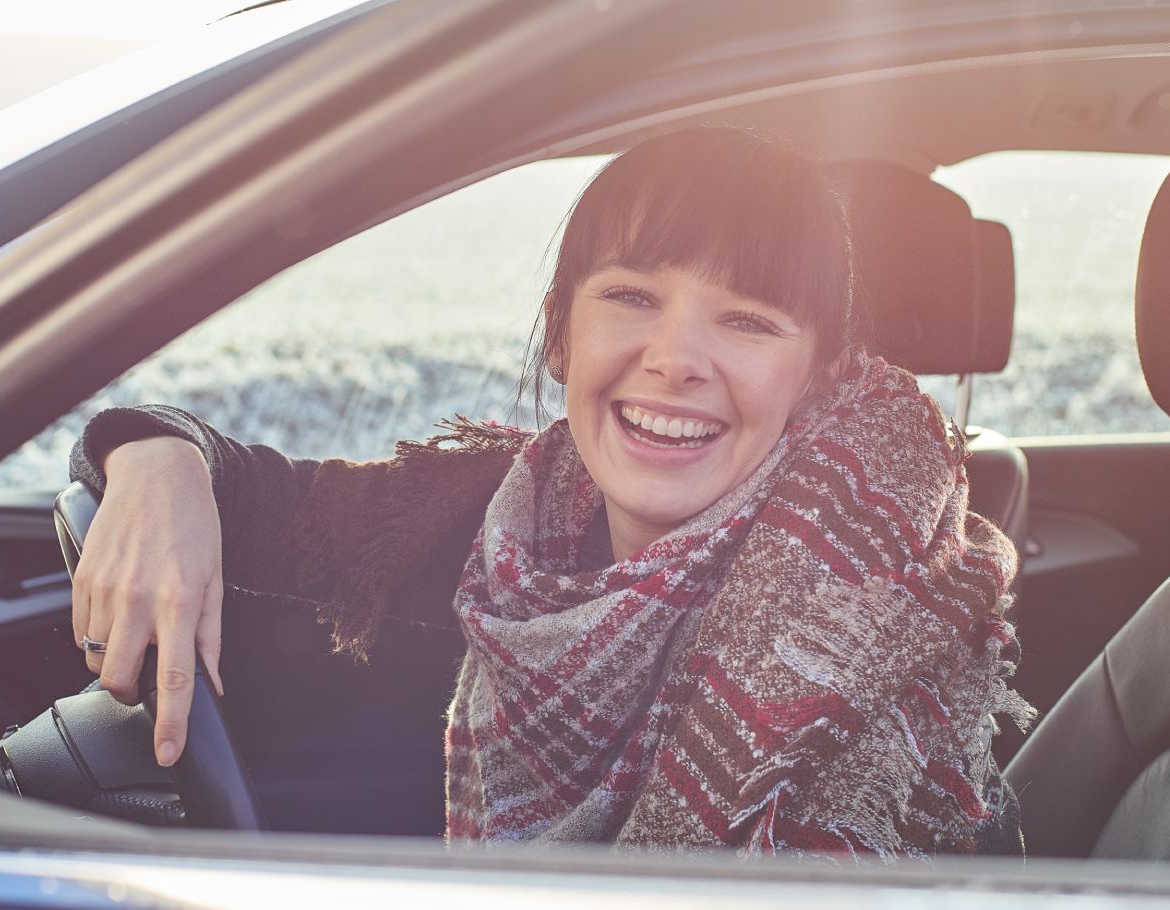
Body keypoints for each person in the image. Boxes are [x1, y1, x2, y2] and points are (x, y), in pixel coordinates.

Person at [66, 127, 1033, 858]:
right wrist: (156, 463)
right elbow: (252, 491)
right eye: (632, 297)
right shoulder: (490, 514)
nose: (675, 359)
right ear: (561, 332)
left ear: (815, 377)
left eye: (746, 319)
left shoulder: (878, 619)